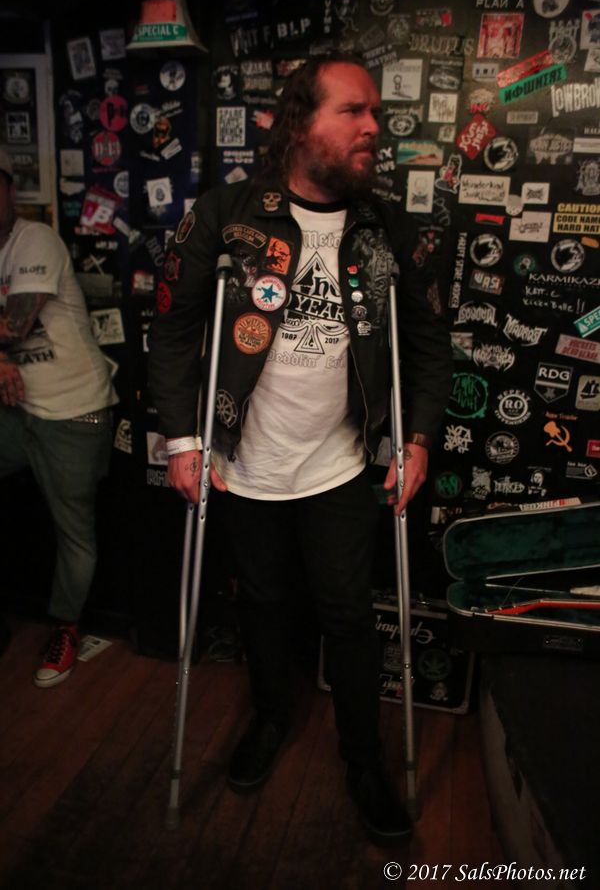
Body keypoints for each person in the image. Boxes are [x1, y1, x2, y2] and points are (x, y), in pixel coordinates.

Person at [148, 53, 452, 843]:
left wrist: (417, 439)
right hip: (244, 465)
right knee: (265, 605)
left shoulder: (386, 229)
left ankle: (363, 760)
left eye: (375, 113)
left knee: (349, 616)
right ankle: (270, 719)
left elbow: (427, 346)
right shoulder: (224, 217)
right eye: (353, 112)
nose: (372, 127)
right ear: (299, 122)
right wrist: (182, 440)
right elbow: (175, 330)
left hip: (340, 466)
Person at [0, 148, 117, 687]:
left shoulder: (35, 240)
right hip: (19, 410)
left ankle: (66, 629)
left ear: (10, 191)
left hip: (74, 412)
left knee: (74, 533)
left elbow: (15, 324)